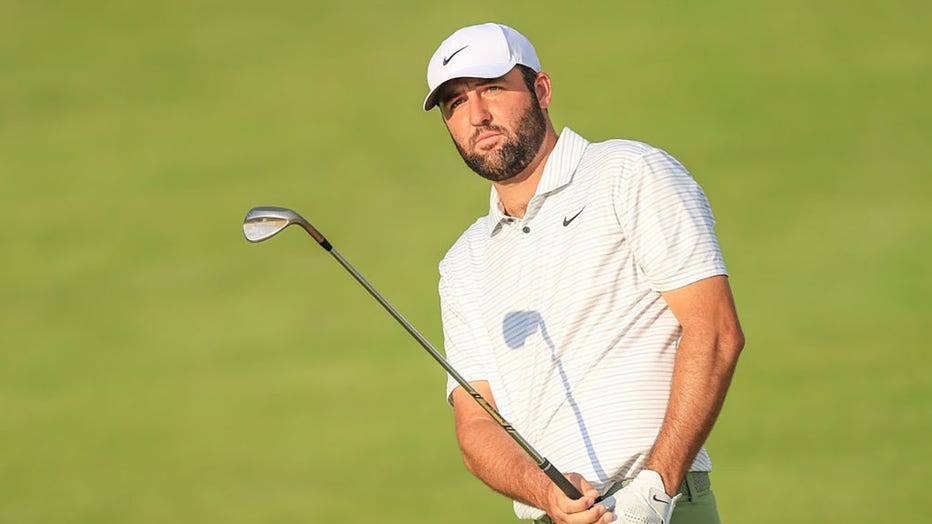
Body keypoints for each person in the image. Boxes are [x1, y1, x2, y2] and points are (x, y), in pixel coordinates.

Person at [423, 23, 744, 524]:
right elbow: (475, 425)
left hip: (663, 505)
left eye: (492, 89)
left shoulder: (628, 173)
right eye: (456, 104)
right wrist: (543, 492)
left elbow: (717, 331)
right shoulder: (463, 261)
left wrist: (654, 491)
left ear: (541, 90)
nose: (477, 115)